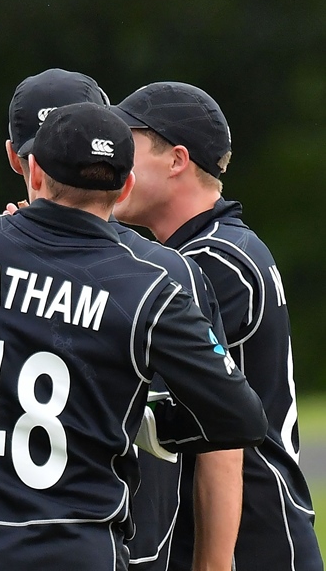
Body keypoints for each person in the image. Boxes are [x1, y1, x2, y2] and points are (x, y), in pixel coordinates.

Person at [0, 102, 267, 571]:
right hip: (78, 550)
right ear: (125, 187)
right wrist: (147, 427)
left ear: (33, 171)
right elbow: (241, 418)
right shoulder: (150, 288)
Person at [4, 69, 244, 571]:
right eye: (43, 153)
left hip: (140, 544)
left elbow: (226, 439)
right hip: (10, 541)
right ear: (19, 159)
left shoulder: (167, 274)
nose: (65, 166)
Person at [111, 82, 324, 570]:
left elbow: (171, 409)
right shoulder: (221, 247)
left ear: (176, 160)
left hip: (252, 537)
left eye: (128, 146)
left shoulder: (213, 262)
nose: (114, 165)